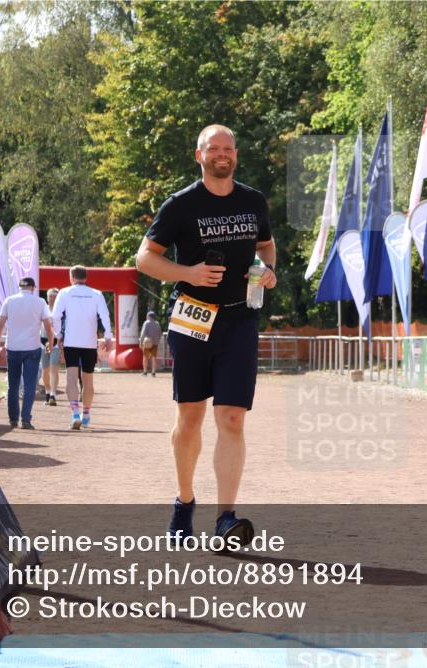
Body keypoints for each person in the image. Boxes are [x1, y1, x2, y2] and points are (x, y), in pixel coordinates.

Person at [136, 124, 277, 546]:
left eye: (228, 148)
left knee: (232, 418)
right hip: (193, 319)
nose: (222, 154)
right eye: (213, 148)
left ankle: (226, 519)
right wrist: (188, 273)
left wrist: (267, 271)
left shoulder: (253, 201)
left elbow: (266, 246)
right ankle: (183, 502)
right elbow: (145, 258)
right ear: (199, 155)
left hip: (239, 319)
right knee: (190, 417)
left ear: (236, 155)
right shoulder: (181, 204)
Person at [52, 265, 114, 430]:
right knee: (88, 380)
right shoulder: (96, 294)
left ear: (72, 277)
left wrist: (58, 335)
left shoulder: (64, 292)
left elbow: (56, 316)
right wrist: (108, 336)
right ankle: (86, 414)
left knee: (71, 378)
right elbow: (105, 316)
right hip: (89, 342)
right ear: (86, 277)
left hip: (71, 342)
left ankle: (75, 414)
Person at [0, 277, 54, 429]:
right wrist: (51, 343)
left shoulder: (9, 301)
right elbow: (48, 325)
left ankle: (13, 418)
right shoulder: (40, 302)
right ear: (33, 288)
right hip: (32, 347)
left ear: (19, 287)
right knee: (29, 385)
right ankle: (26, 419)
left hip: (13, 347)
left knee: (13, 385)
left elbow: (0, 326)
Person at [40, 288, 62, 405]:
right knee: (45, 371)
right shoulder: (43, 309)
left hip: (55, 342)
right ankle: (48, 391)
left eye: (54, 296)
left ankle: (53, 394)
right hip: (43, 341)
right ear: (47, 297)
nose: (52, 298)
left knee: (54, 368)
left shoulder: (60, 311)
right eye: (50, 296)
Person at [140, 310, 163, 376]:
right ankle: (153, 372)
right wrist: (157, 341)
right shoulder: (157, 323)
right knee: (154, 357)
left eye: (147, 315)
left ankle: (145, 371)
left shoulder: (146, 323)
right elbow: (160, 333)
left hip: (147, 342)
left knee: (145, 357)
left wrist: (141, 343)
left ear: (149, 316)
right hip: (155, 343)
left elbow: (143, 334)